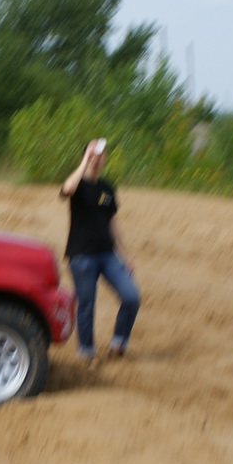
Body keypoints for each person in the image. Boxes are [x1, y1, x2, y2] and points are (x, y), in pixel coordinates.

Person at [59, 138, 140, 362]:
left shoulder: (107, 188)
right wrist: (84, 162)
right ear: (85, 157)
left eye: (100, 155)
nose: (96, 159)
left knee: (131, 297)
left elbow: (112, 222)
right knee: (86, 305)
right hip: (82, 256)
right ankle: (86, 353)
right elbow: (66, 190)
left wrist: (126, 255)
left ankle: (118, 343)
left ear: (104, 159)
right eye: (92, 154)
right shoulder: (77, 184)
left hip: (108, 255)